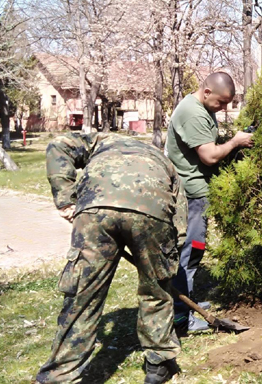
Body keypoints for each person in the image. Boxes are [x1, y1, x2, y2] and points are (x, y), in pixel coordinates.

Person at [37, 133, 186, 384]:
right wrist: (166, 259)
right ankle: (159, 363)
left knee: (83, 294)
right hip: (152, 210)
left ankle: (58, 376)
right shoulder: (164, 161)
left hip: (95, 209)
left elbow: (57, 145)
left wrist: (65, 197)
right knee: (156, 291)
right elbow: (179, 215)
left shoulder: (99, 141)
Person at [165, 72, 254, 333]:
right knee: (191, 250)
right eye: (222, 103)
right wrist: (235, 141)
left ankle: (187, 303)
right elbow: (209, 156)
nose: (224, 108)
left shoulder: (200, 107)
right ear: (206, 93)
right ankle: (182, 318)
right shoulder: (193, 113)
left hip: (196, 191)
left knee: (195, 249)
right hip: (191, 194)